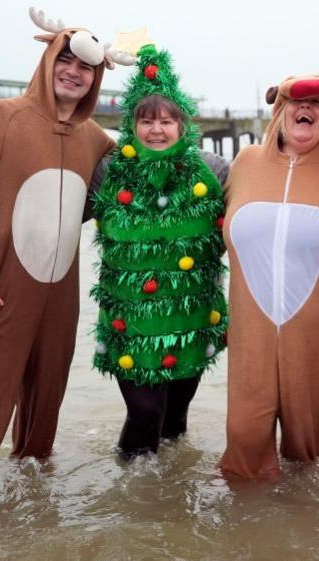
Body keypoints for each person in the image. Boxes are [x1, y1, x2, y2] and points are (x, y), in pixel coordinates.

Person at [0, 9, 122, 505]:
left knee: (44, 408)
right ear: (48, 60)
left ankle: (32, 515)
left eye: (87, 68)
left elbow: (136, 181)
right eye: (66, 60)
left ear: (97, 79)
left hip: (61, 296)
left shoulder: (97, 140)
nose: (74, 72)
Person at [88, 44, 228, 458]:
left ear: (183, 125)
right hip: (131, 321)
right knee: (145, 412)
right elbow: (60, 209)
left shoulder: (214, 169)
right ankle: (133, 494)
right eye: (146, 120)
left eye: (167, 120)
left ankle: (171, 495)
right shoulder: (108, 171)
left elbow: (252, 211)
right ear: (131, 125)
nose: (156, 129)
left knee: (175, 419)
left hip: (191, 317)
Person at [219, 74, 319, 480]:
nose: (306, 109)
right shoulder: (245, 163)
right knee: (243, 440)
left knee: (304, 456)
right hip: (250, 324)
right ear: (280, 110)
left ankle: (300, 533)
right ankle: (242, 534)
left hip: (318, 327)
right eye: (298, 101)